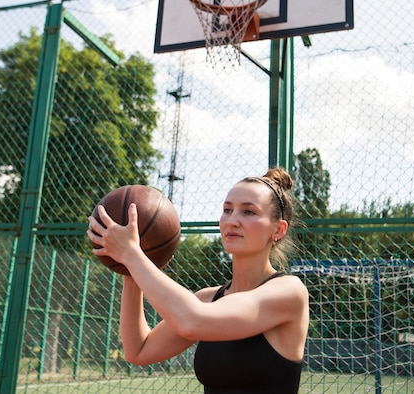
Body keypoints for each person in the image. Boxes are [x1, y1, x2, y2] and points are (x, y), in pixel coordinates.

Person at [87, 167, 309, 393]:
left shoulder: (289, 292)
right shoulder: (208, 298)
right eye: (227, 210)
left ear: (279, 230)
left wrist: (132, 255)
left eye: (249, 212)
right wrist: (132, 271)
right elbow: (139, 350)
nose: (232, 220)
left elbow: (192, 320)